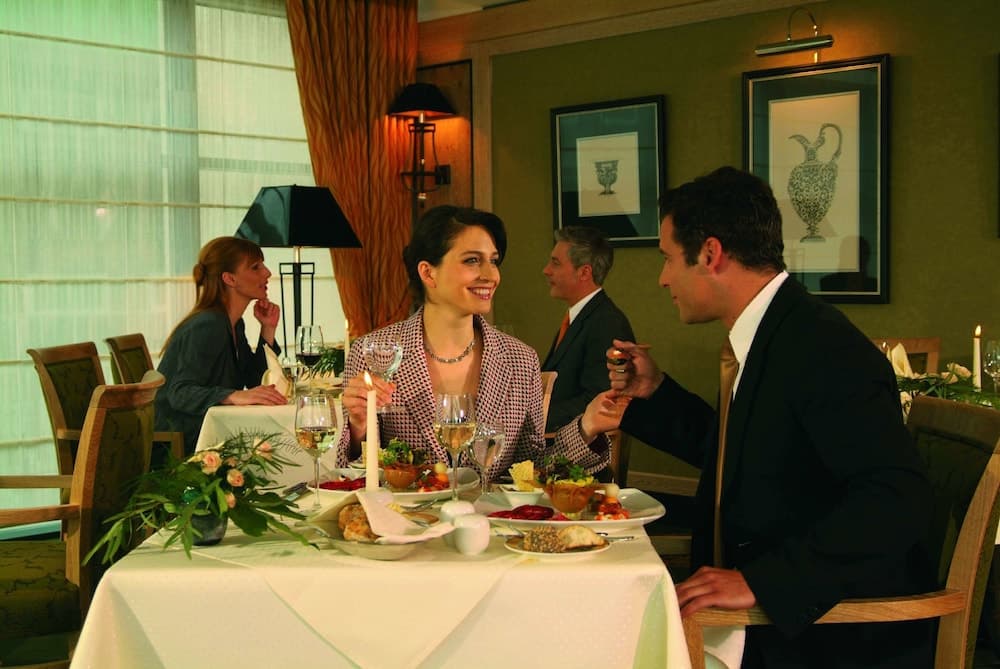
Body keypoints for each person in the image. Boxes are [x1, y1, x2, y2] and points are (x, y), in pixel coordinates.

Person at [579, 167, 934, 668]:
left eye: (668, 258)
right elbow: (745, 454)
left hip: (820, 638)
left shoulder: (822, 346)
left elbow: (898, 498)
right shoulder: (774, 331)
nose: (663, 278)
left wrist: (762, 582)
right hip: (762, 614)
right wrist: (656, 392)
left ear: (710, 253)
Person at [334, 206, 608, 483]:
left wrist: (587, 427)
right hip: (405, 511)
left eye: (494, 261)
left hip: (489, 512)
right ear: (428, 273)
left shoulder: (520, 359)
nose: (491, 275)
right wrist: (358, 428)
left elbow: (532, 470)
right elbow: (354, 476)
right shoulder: (374, 353)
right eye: (472, 260)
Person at [156, 236, 287, 455]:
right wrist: (233, 396)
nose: (267, 273)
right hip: (180, 446)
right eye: (256, 267)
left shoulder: (234, 324)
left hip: (209, 435)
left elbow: (255, 380)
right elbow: (180, 392)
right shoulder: (208, 325)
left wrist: (268, 329)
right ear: (229, 278)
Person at [541, 226, 634, 433]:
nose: (546, 270)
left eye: (555, 263)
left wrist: (533, 418)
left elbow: (599, 400)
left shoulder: (607, 323)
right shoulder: (581, 317)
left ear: (584, 272)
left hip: (578, 447)